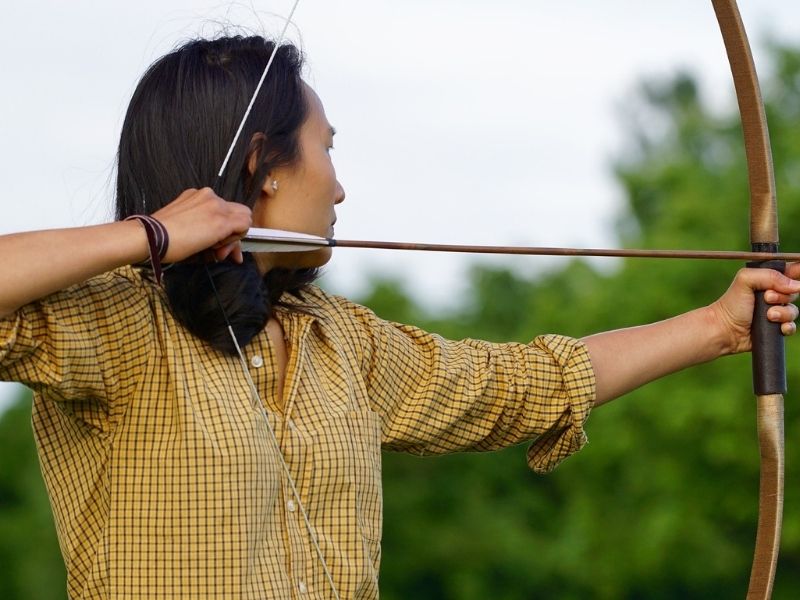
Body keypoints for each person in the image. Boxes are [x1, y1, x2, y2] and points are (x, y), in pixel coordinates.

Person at [0, 35, 798, 600]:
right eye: (326, 149)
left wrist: (721, 327)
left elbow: (520, 386)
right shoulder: (115, 326)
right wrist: (151, 235)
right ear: (261, 168)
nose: (340, 189)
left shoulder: (339, 340)